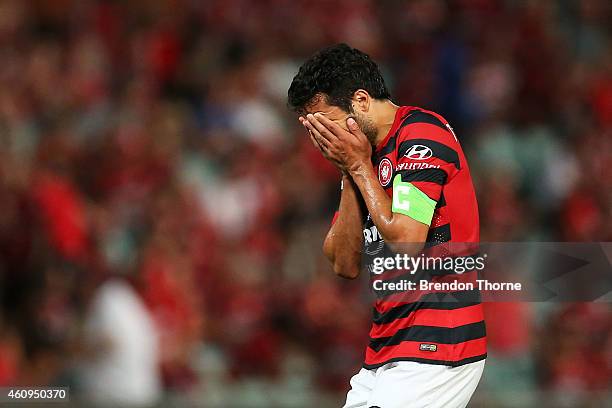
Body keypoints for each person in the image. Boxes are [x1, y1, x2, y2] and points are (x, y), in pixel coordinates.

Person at [287, 44, 486, 408]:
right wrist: (349, 172)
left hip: (438, 342)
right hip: (385, 346)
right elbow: (343, 263)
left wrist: (359, 166)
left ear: (361, 101)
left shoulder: (422, 136)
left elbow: (407, 242)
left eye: (327, 120)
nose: (323, 137)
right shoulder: (362, 157)